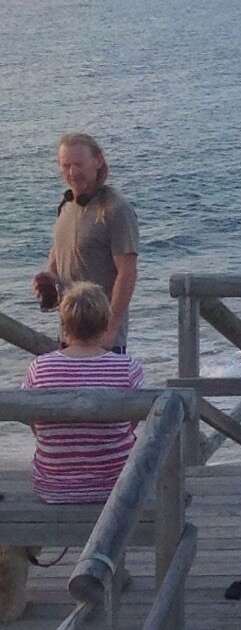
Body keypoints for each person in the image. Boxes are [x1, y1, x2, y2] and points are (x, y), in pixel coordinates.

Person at [22, 283, 146, 506]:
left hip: (53, 488)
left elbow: (34, 423)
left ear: (63, 324)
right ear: (107, 324)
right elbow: (131, 424)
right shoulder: (128, 368)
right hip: (116, 487)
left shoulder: (39, 367)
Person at [33, 132, 139, 349]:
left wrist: (111, 328)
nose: (72, 172)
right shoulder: (66, 206)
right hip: (68, 333)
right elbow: (58, 257)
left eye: (79, 164)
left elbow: (127, 273)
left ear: (98, 161)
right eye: (66, 165)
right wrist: (48, 278)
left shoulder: (115, 209)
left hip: (103, 338)